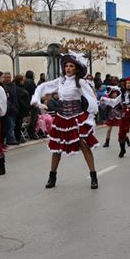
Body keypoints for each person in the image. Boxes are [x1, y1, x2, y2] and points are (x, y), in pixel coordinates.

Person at [30, 51, 99, 189]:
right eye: (66, 66)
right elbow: (43, 87)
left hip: (76, 118)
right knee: (56, 148)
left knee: (84, 145)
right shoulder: (60, 81)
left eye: (71, 66)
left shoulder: (80, 82)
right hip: (61, 118)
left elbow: (91, 98)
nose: (68, 68)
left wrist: (91, 115)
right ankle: (52, 177)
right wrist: (37, 100)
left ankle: (93, 177)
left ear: (76, 68)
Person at [102, 77, 130, 158]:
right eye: (126, 83)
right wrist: (105, 100)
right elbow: (114, 102)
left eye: (129, 83)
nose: (128, 85)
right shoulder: (122, 94)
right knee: (121, 133)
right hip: (124, 116)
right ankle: (122, 149)